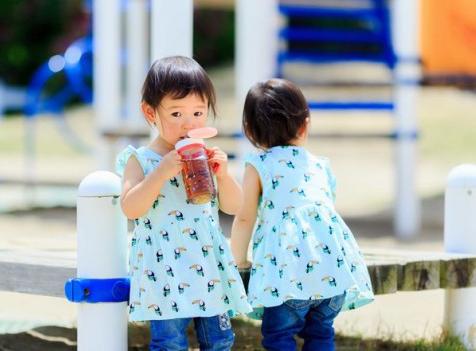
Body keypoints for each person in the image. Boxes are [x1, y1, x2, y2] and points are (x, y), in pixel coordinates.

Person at [116, 56, 252, 350]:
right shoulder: (141, 160)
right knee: (170, 343)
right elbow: (130, 207)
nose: (188, 124)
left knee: (220, 339)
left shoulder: (204, 157)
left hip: (207, 263)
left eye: (198, 113)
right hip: (163, 267)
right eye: (176, 113)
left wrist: (225, 176)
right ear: (150, 112)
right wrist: (161, 172)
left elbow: (234, 206)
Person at [230, 78, 374, 350]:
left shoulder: (259, 165)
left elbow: (245, 217)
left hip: (289, 276)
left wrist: (239, 263)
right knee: (321, 335)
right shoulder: (320, 165)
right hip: (333, 273)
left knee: (279, 337)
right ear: (305, 124)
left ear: (249, 130)